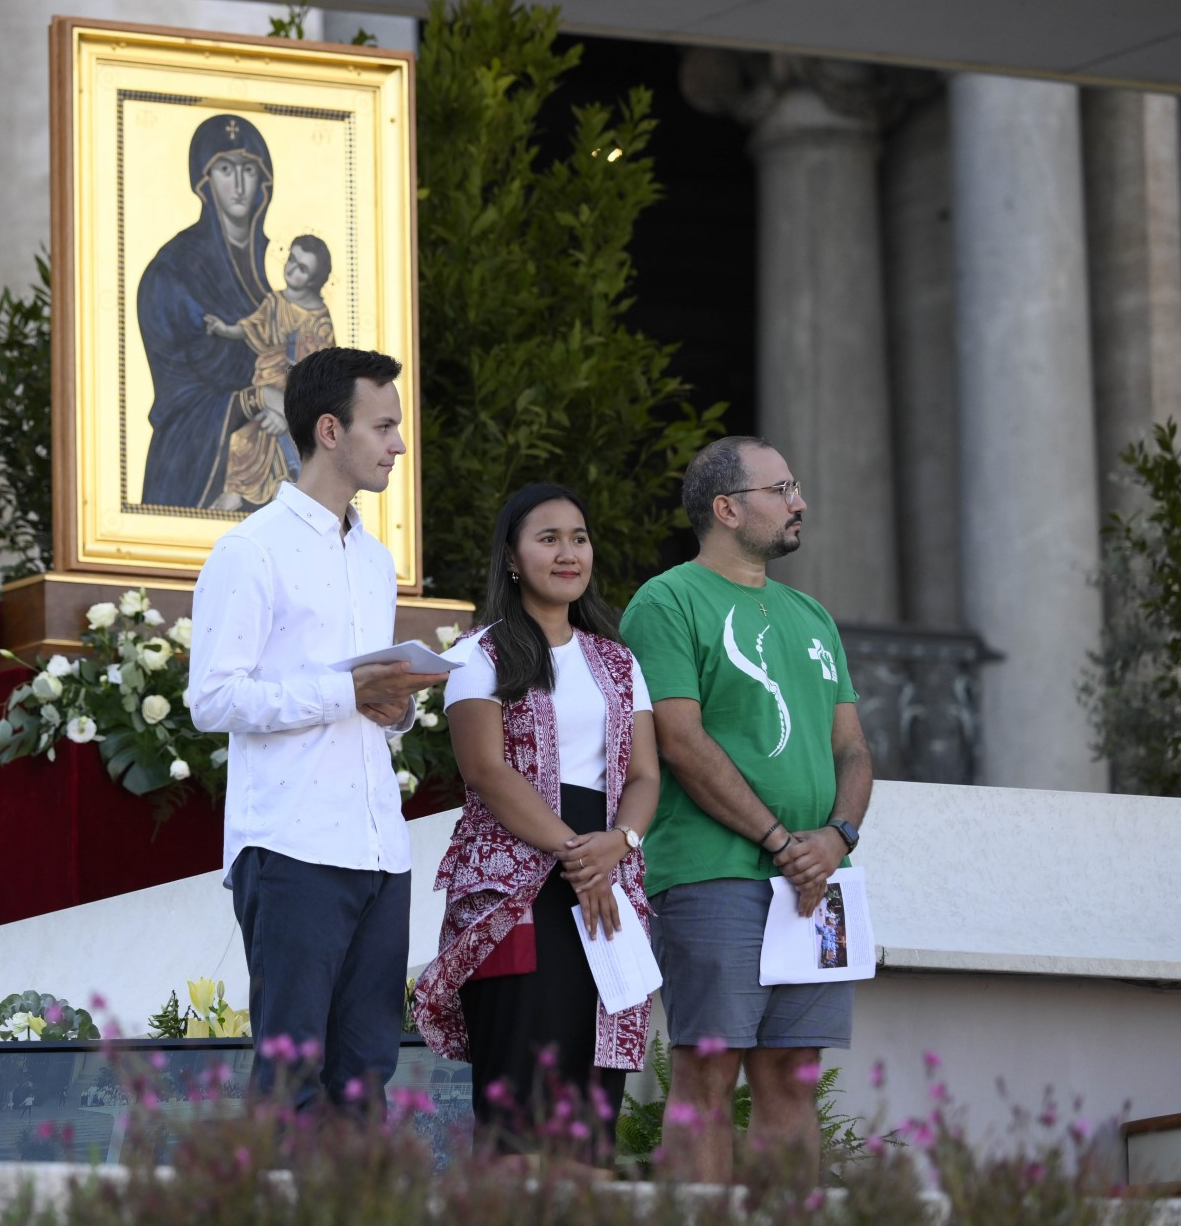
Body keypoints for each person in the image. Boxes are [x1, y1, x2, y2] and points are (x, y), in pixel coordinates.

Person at [187, 345, 445, 1112]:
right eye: (385, 425)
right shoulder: (249, 549)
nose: (398, 444)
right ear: (329, 430)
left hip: (378, 846)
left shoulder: (374, 558)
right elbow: (213, 699)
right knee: (292, 1078)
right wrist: (343, 692)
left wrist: (392, 708)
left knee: (366, 1076)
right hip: (291, 843)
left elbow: (363, 699)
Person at [618, 435, 873, 1183]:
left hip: (821, 881)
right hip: (712, 872)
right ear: (726, 509)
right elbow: (680, 740)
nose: (800, 503)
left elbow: (853, 750)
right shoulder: (667, 600)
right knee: (708, 1068)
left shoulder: (813, 615)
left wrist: (836, 837)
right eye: (781, 489)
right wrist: (778, 839)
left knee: (793, 1072)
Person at [413, 483, 660, 1162]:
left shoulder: (618, 660)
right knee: (521, 1088)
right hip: (515, 887)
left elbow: (644, 776)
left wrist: (620, 843)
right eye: (547, 538)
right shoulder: (479, 653)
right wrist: (577, 854)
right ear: (512, 559)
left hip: (606, 880)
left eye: (578, 537)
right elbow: (487, 772)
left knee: (593, 1090)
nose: (567, 552)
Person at [136, 114, 275, 509]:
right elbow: (176, 388)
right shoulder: (173, 269)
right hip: (198, 456)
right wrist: (250, 401)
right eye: (225, 169)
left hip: (279, 443)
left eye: (249, 169)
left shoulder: (283, 262)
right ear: (205, 180)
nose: (239, 183)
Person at [202, 234, 337, 511]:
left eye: (302, 268)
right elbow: (253, 326)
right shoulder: (275, 302)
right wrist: (226, 330)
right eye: (292, 260)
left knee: (286, 443)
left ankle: (284, 495)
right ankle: (236, 493)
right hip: (266, 383)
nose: (292, 269)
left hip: (296, 393)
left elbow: (324, 367)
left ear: (314, 280)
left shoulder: (320, 318)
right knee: (244, 439)